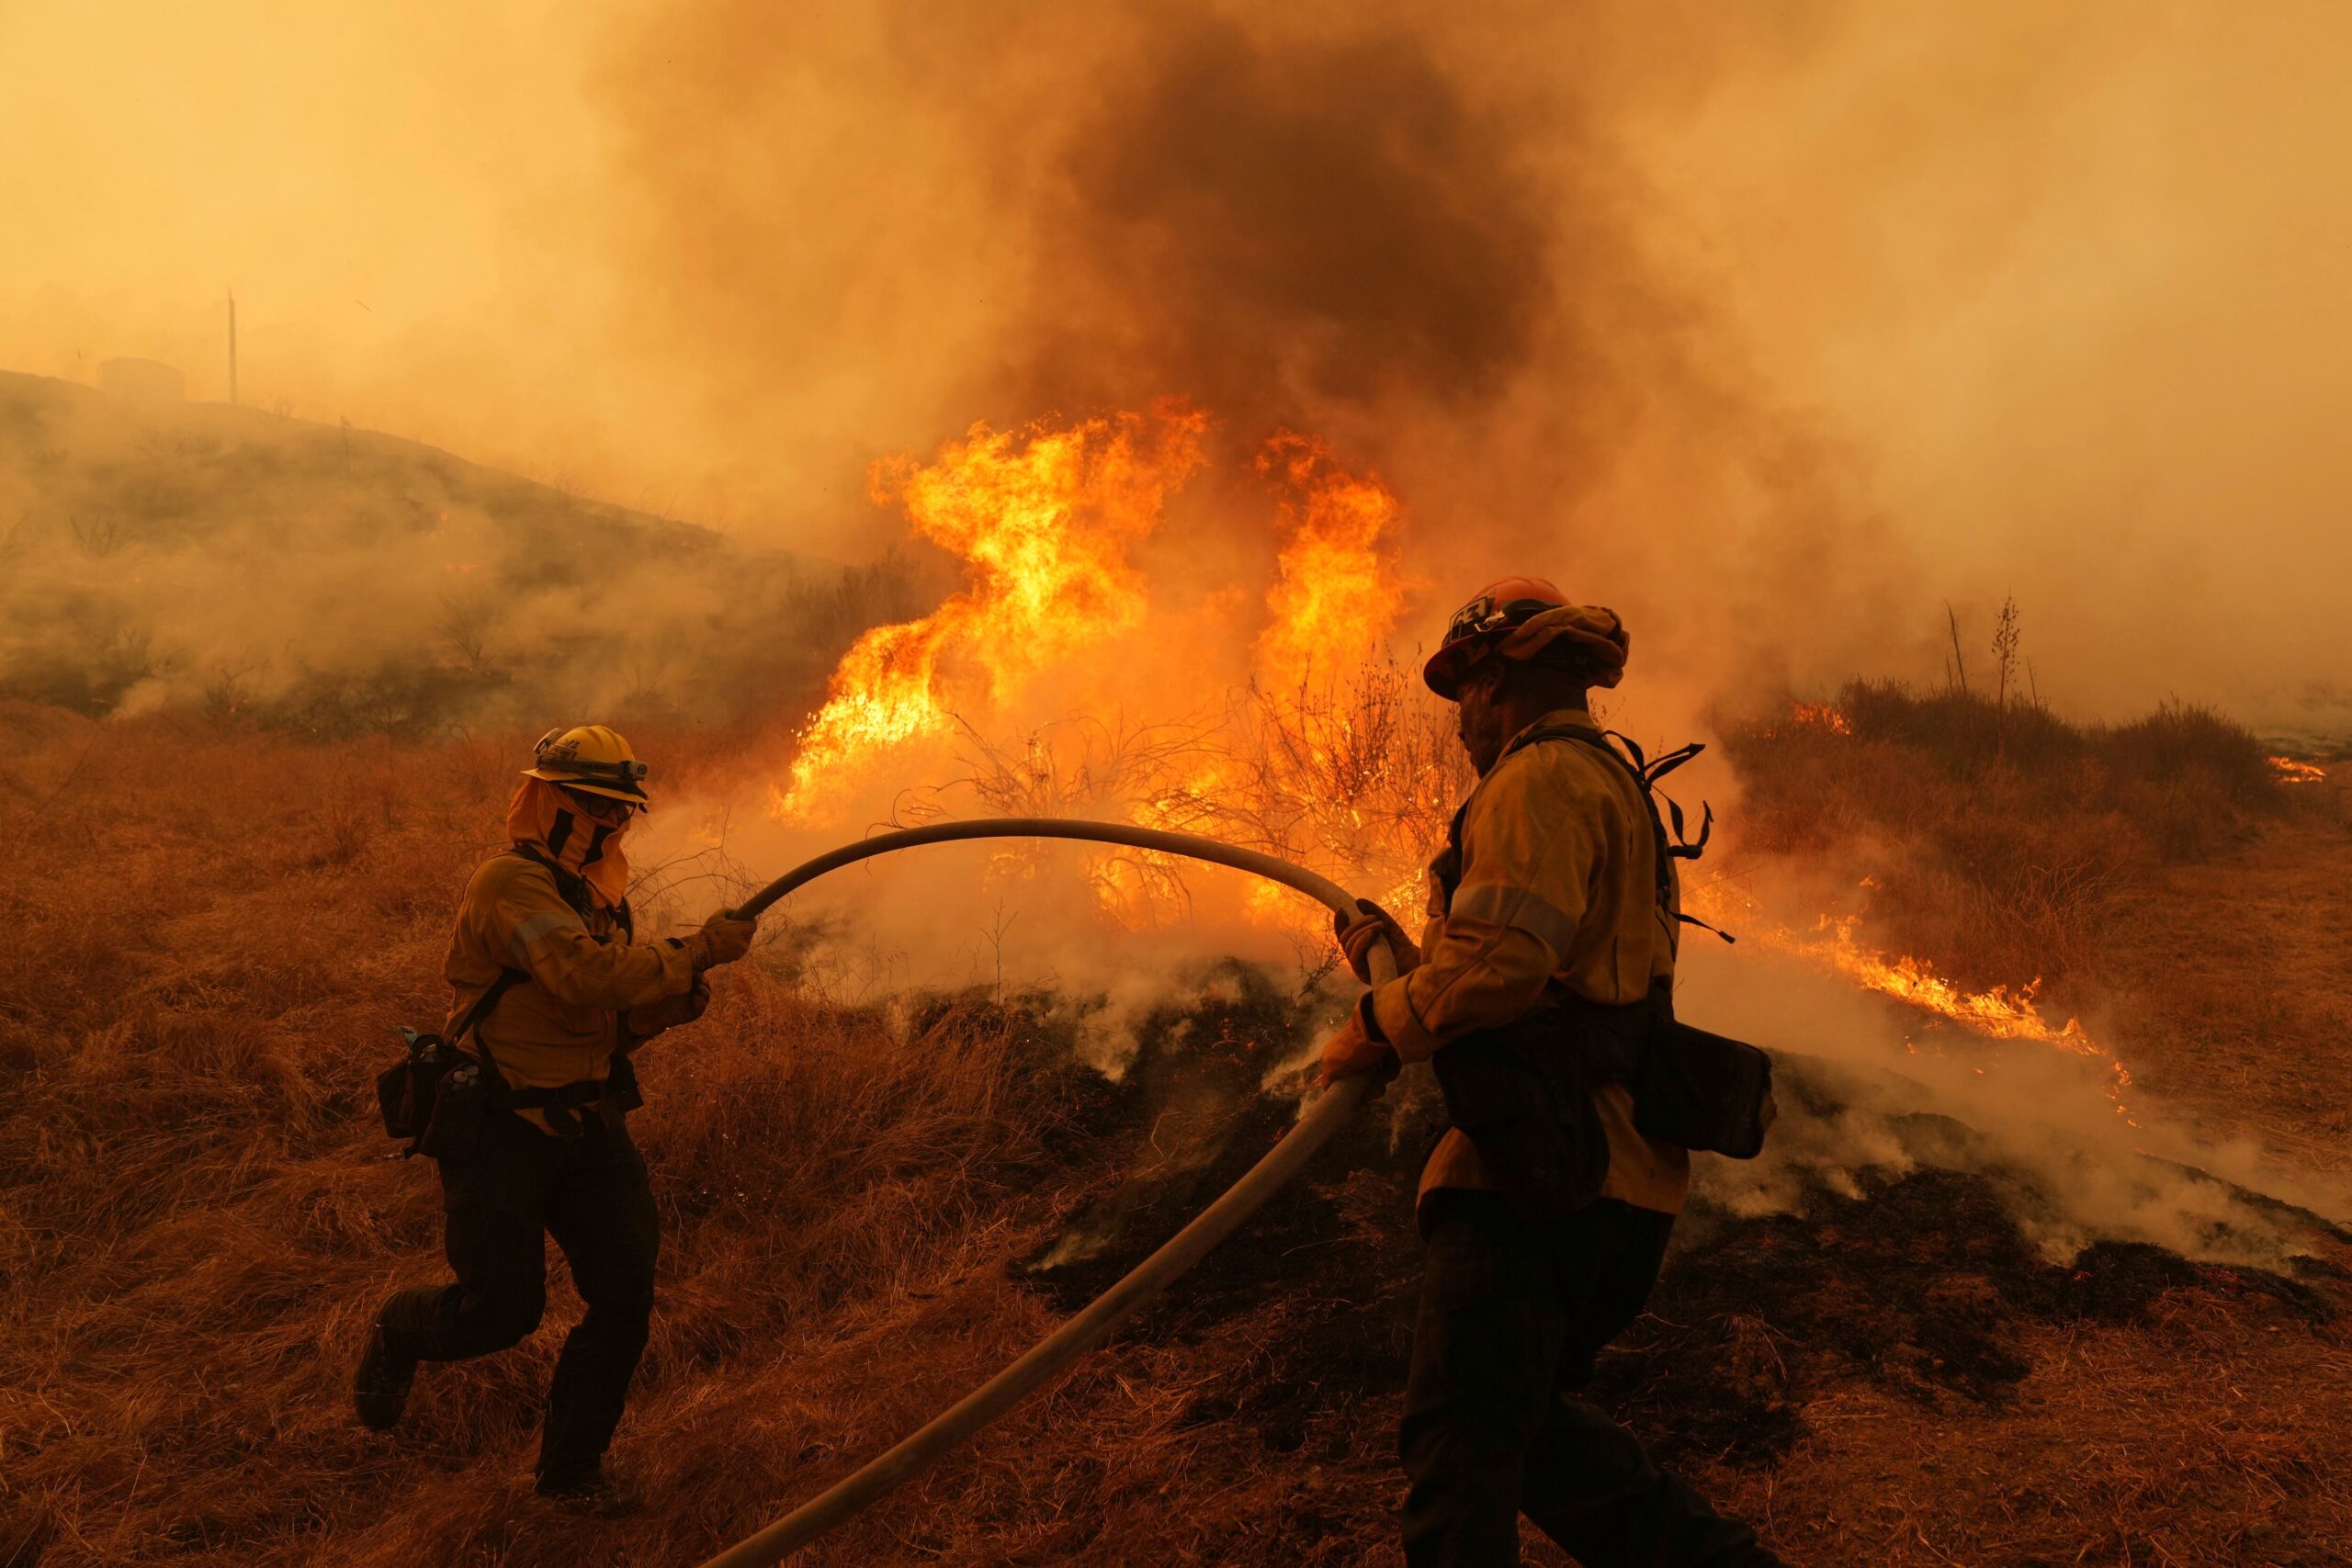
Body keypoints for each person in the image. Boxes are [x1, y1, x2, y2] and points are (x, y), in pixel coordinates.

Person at [1317, 581, 1783, 1567]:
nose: (1459, 726)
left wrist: (1375, 1022)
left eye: (1463, 696)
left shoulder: (1536, 782)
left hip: (1538, 1175)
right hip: (1616, 1177)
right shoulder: (1608, 782)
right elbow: (1534, 965)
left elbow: (1500, 966)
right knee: (1524, 1438)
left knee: (1459, 1458)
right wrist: (1401, 956)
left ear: (1495, 678)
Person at [352, 725, 757, 1510]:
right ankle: (400, 1329)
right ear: (550, 800)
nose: (612, 824)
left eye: (621, 810)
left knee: (625, 1300)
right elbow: (578, 974)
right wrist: (697, 951)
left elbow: (598, 1019)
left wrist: (663, 1010)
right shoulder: (508, 885)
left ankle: (570, 1474)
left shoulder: (600, 899)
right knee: (502, 1312)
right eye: (597, 806)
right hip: (499, 1132)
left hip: (588, 1126)